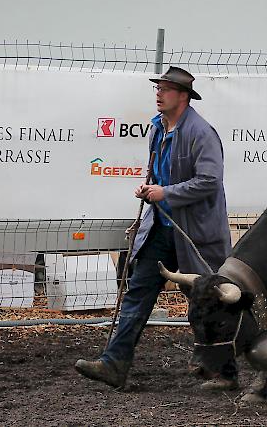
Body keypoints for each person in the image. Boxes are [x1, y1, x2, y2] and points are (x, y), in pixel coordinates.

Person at [75, 66, 234, 391]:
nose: (159, 94)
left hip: (194, 234)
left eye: (166, 89)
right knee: (138, 292)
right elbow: (163, 173)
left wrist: (166, 193)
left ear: (183, 96)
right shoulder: (158, 129)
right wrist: (151, 189)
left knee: (208, 302)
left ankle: (225, 373)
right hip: (161, 227)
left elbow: (209, 181)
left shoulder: (202, 133)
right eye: (158, 88)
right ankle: (114, 364)